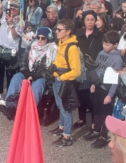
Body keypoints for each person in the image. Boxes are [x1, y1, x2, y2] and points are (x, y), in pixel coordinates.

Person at [0, 27, 57, 119]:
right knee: (17, 77)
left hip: (42, 76)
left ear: (48, 38)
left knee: (38, 84)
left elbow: (52, 69)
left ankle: (28, 110)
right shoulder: (32, 46)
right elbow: (23, 60)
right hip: (29, 72)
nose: (40, 40)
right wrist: (26, 73)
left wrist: (34, 76)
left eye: (43, 38)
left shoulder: (53, 49)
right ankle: (10, 105)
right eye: (38, 37)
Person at [84, 31, 123, 149]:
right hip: (97, 86)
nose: (104, 46)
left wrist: (110, 95)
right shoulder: (101, 53)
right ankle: (96, 130)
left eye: (107, 44)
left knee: (105, 113)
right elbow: (96, 68)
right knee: (96, 110)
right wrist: (93, 83)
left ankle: (103, 136)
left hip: (107, 89)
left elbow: (116, 80)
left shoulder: (118, 60)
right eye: (103, 44)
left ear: (115, 44)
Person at [49, 19, 81, 147]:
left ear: (68, 32)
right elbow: (61, 61)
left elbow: (76, 71)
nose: (56, 31)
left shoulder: (72, 48)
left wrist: (62, 77)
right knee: (60, 106)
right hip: (58, 80)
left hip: (64, 82)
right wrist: (53, 66)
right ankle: (61, 127)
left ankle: (66, 136)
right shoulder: (61, 43)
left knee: (65, 109)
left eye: (59, 30)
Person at [74, 11, 103, 131]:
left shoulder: (100, 35)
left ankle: (94, 122)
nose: (90, 22)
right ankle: (82, 118)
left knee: (92, 97)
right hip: (80, 68)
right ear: (84, 21)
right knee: (80, 95)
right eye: (87, 19)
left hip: (93, 68)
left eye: (92, 19)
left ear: (96, 21)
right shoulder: (78, 34)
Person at [0, 0, 25, 107]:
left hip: (11, 52)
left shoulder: (21, 22)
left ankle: (9, 96)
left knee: (10, 74)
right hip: (0, 49)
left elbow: (15, 36)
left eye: (15, 8)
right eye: (11, 8)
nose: (12, 10)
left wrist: (11, 24)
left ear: (19, 10)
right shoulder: (4, 16)